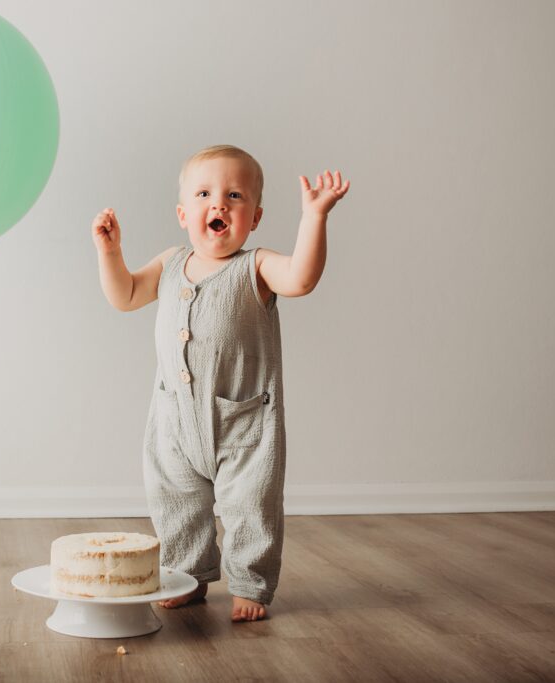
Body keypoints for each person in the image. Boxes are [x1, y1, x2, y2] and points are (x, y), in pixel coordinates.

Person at [92, 145, 349, 622]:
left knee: (251, 505)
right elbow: (125, 295)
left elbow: (302, 278)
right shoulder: (170, 263)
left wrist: (315, 217)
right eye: (205, 193)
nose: (220, 204)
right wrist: (111, 253)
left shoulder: (258, 267)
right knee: (177, 503)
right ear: (183, 213)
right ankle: (188, 578)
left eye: (235, 195)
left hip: (244, 422)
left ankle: (251, 584)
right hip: (173, 422)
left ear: (254, 218)